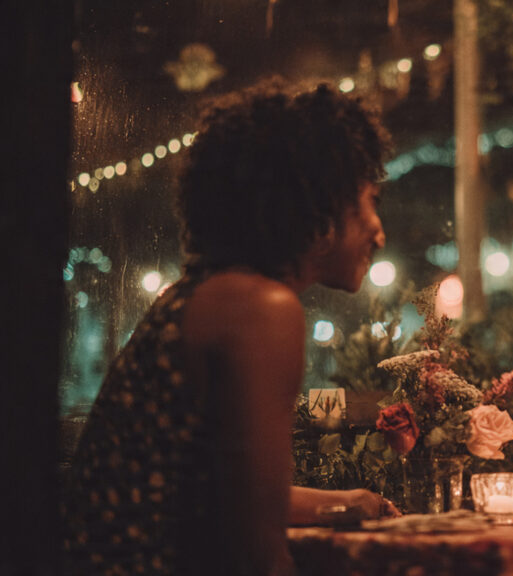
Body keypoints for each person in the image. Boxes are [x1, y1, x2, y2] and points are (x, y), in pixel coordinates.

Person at [62, 82, 400, 576]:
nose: (379, 230)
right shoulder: (258, 309)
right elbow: (256, 557)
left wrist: (350, 501)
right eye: (371, 201)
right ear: (321, 204)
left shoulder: (204, 294)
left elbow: (227, 495)